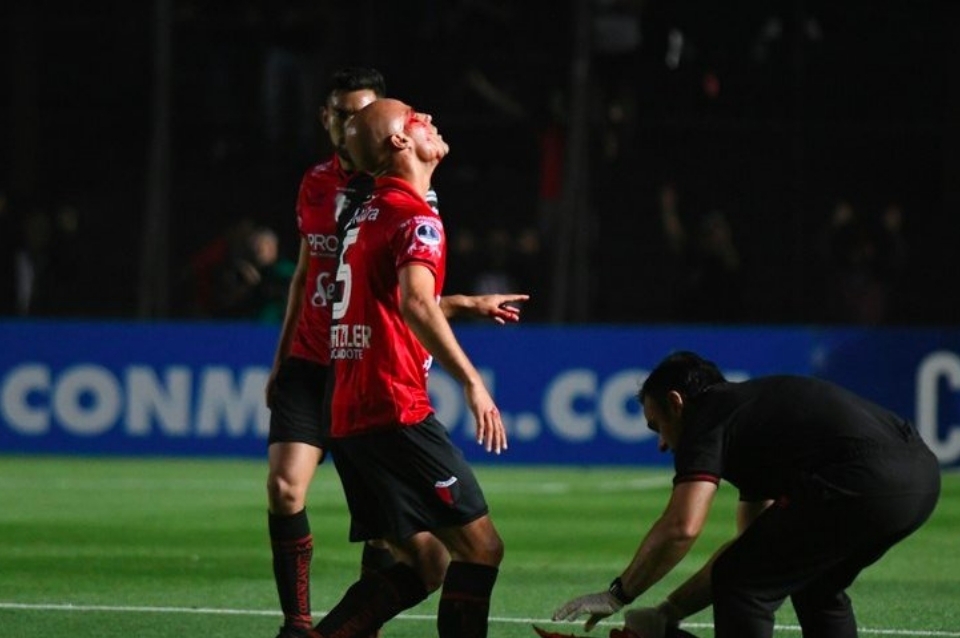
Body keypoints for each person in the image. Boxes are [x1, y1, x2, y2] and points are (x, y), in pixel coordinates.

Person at [265, 68, 526, 638]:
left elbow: (384, 303)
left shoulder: (365, 214)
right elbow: (414, 304)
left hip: (351, 416)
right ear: (401, 141)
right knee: (481, 549)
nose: (428, 118)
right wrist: (472, 382)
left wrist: (461, 303)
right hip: (393, 411)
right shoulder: (415, 218)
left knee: (427, 563)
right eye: (415, 117)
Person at [550, 351, 941, 638]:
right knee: (815, 585)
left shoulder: (706, 418)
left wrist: (618, 594)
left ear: (676, 402)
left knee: (742, 584)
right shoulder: (752, 421)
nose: (662, 445)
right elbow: (748, 547)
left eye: (657, 427)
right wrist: (669, 611)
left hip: (864, 477)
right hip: (921, 476)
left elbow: (682, 527)